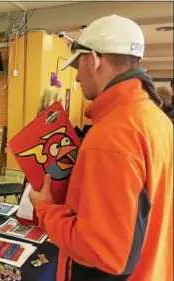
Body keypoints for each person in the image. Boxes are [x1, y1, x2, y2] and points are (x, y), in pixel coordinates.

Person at [29, 14, 173, 281]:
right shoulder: (156, 119)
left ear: (94, 60)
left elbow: (103, 253)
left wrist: (45, 209)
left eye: (78, 66)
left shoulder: (111, 136)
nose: (78, 77)